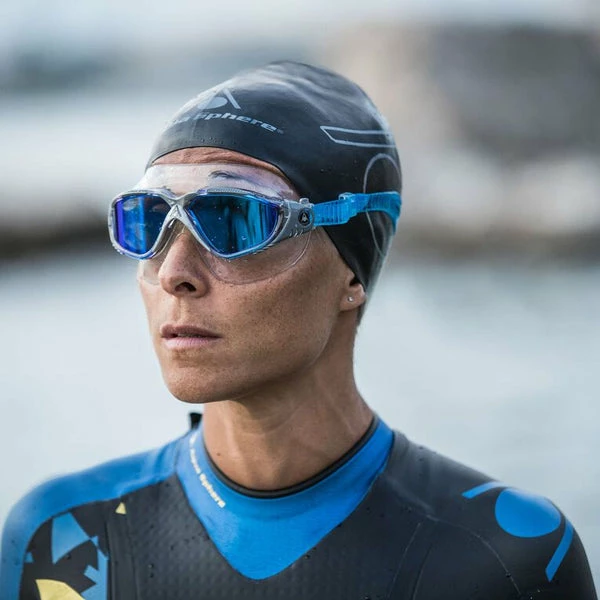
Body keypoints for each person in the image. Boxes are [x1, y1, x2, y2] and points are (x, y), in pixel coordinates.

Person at [0, 61, 596, 600]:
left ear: (351, 273)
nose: (175, 273)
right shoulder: (60, 540)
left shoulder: (504, 561)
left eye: (234, 222)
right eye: (147, 222)